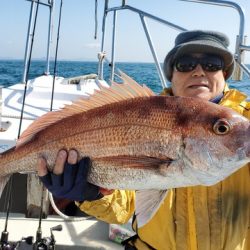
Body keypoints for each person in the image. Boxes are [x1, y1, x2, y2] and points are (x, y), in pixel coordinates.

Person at [37, 30, 250, 250]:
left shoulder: (245, 125)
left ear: (224, 74)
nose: (198, 71)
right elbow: (123, 210)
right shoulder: (143, 112)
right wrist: (90, 194)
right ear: (171, 75)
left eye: (212, 64)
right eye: (185, 64)